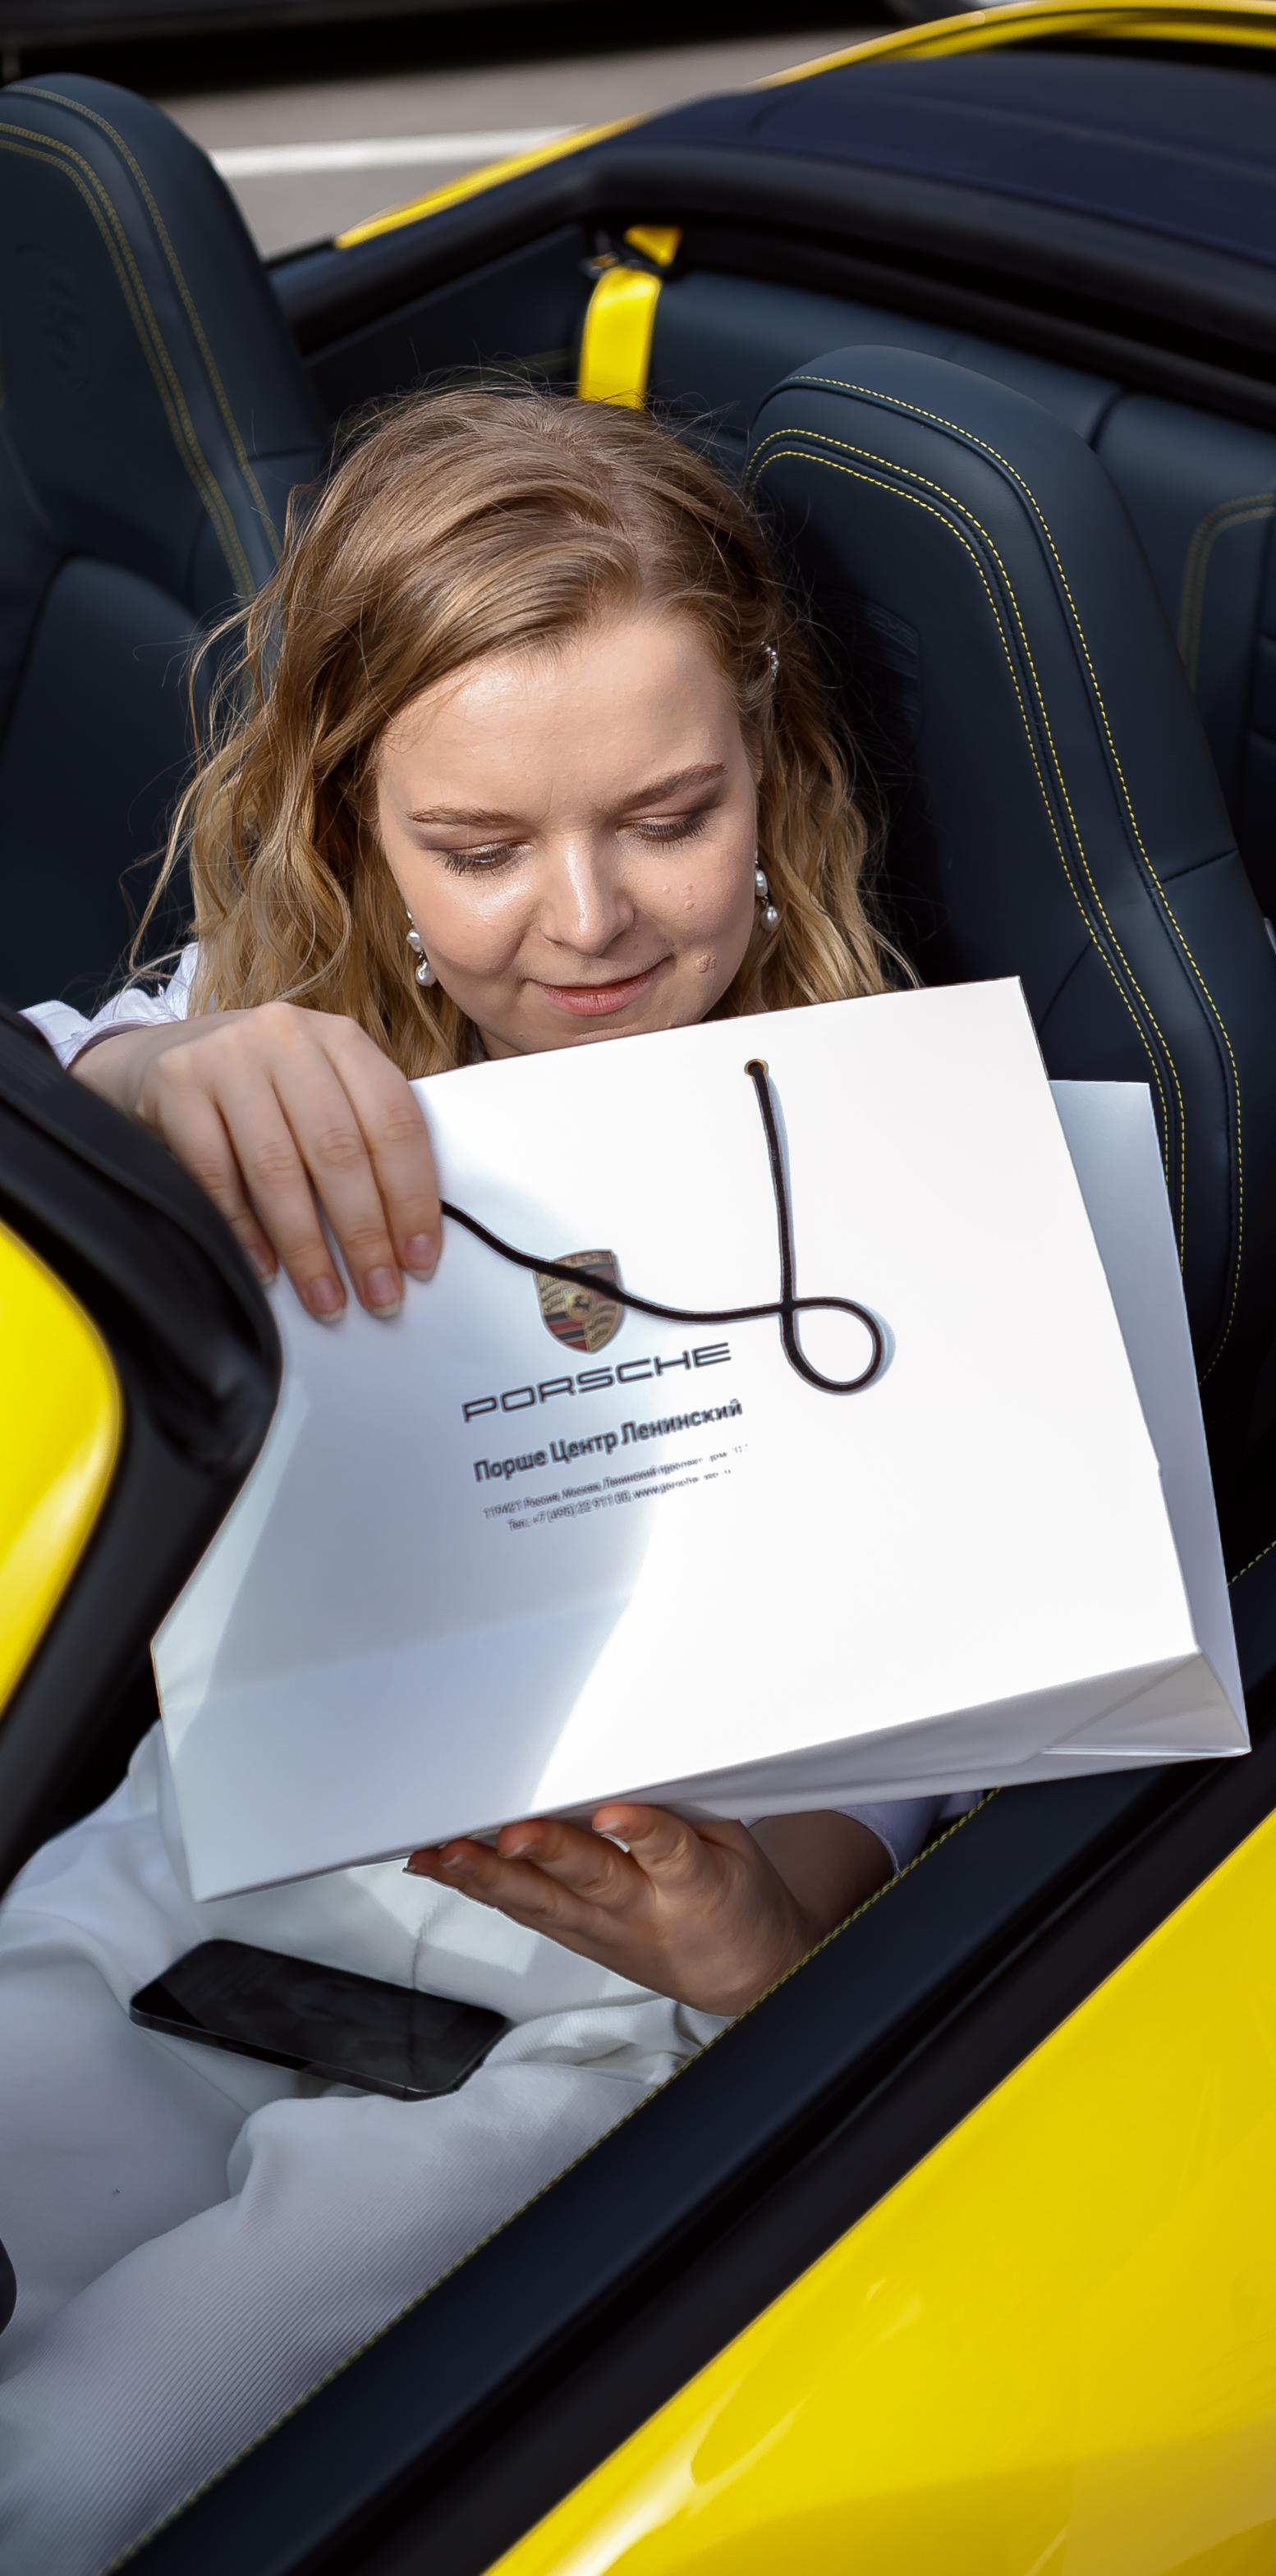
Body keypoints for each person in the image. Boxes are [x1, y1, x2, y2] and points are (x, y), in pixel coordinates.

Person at [1, 388, 962, 2572]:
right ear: (353, 823)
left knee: (75, 2475)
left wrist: (743, 1925)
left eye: (668, 816)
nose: (587, 919)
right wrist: (165, 1069)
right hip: (194, 1858)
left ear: (776, 776)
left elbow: (894, 1802)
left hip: (587, 2005)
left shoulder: (911, 1184)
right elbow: (51, 1088)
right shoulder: (279, 1033)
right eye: (479, 845)